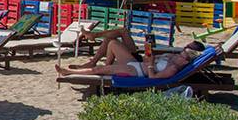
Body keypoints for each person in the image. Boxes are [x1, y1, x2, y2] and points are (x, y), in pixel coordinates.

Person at [56, 40, 204, 78]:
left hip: (137, 71)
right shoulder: (173, 56)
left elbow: (153, 79)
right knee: (113, 43)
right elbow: (148, 60)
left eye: (187, 48)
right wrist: (149, 54)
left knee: (99, 69)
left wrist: (151, 65)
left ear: (191, 53)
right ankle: (106, 68)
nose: (184, 48)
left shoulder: (174, 69)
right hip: (138, 64)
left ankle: (68, 72)